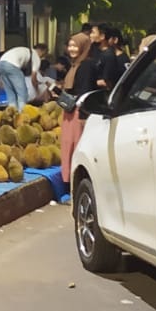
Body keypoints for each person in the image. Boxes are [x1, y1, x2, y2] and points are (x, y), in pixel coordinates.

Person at [60, 32, 101, 194]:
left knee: (75, 147)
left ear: (83, 47)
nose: (71, 49)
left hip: (78, 113)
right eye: (70, 45)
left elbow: (85, 91)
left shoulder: (86, 66)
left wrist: (83, 115)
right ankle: (68, 182)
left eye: (75, 46)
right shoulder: (75, 64)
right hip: (70, 112)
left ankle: (74, 183)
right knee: (67, 146)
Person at [0, 44, 37, 111]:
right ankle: (21, 114)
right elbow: (34, 78)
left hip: (1, 63)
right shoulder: (36, 56)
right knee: (22, 93)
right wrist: (37, 90)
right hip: (12, 65)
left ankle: (12, 113)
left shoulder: (23, 50)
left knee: (10, 92)